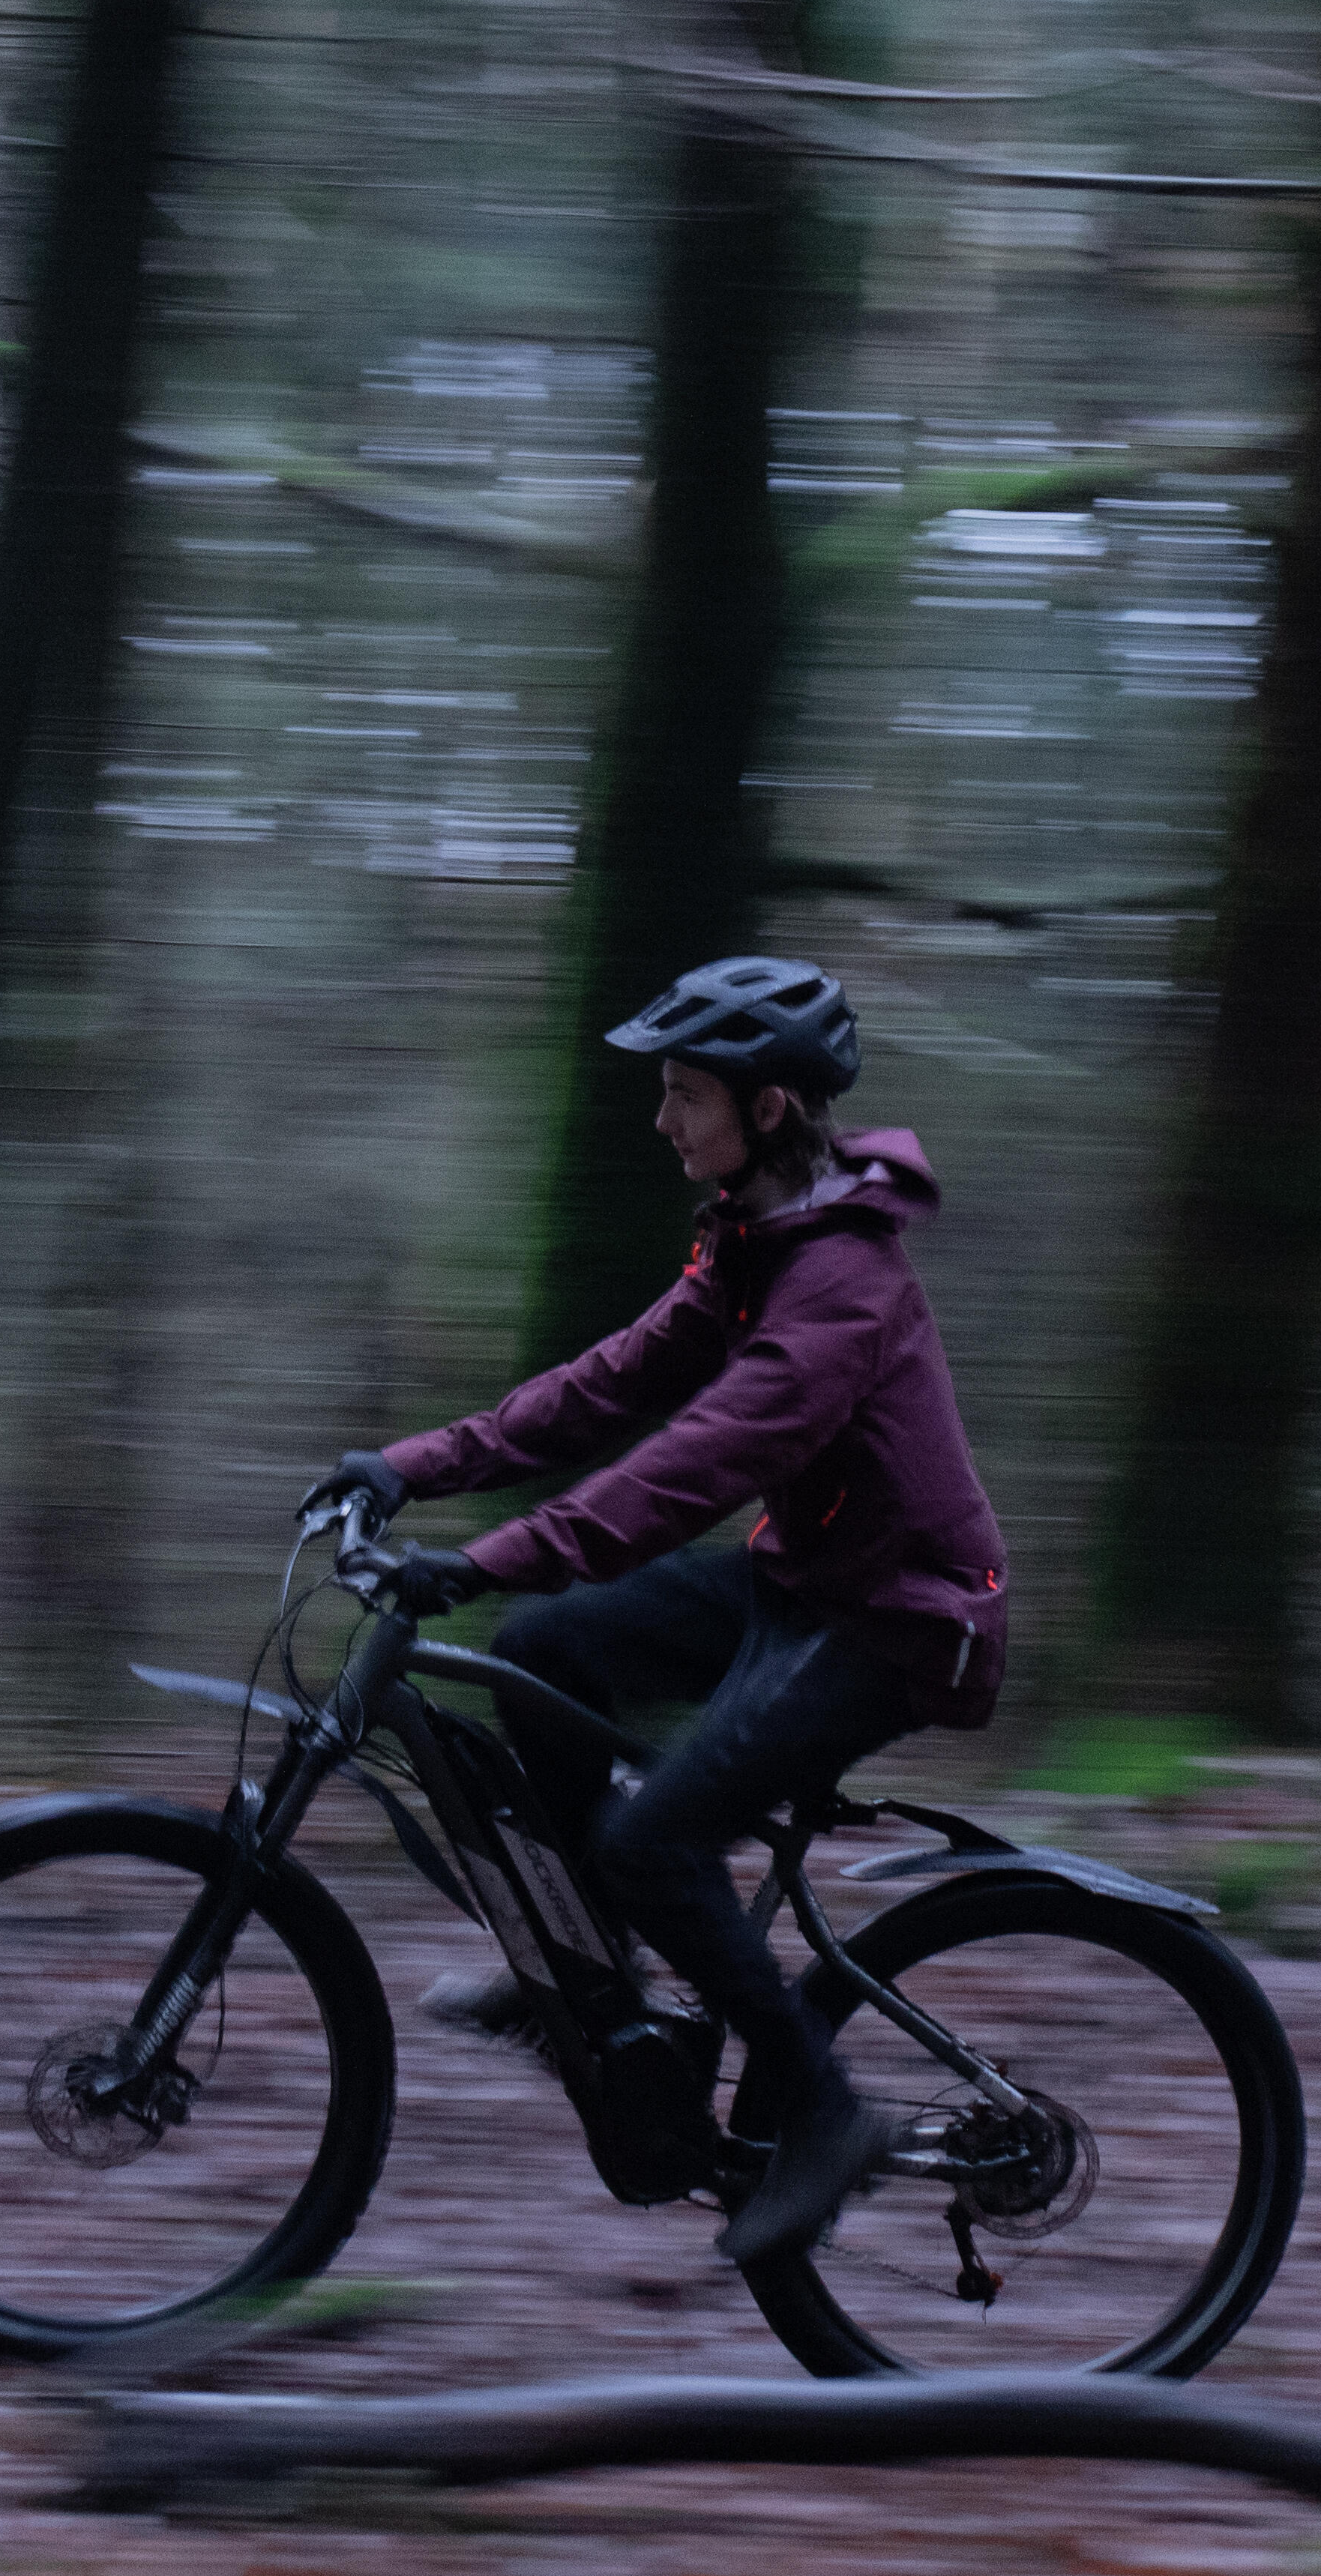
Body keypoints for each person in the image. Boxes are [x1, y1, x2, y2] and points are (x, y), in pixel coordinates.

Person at [302, 954, 1008, 2266]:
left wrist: (494, 1552)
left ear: (773, 1111)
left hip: (899, 1619)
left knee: (658, 1841)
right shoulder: (756, 1242)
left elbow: (701, 1460)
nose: (663, 1121)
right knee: (548, 1651)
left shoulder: (840, 1283)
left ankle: (830, 2115)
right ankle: (590, 1971)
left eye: (687, 1095)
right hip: (808, 1578)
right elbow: (608, 1388)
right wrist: (412, 1465)